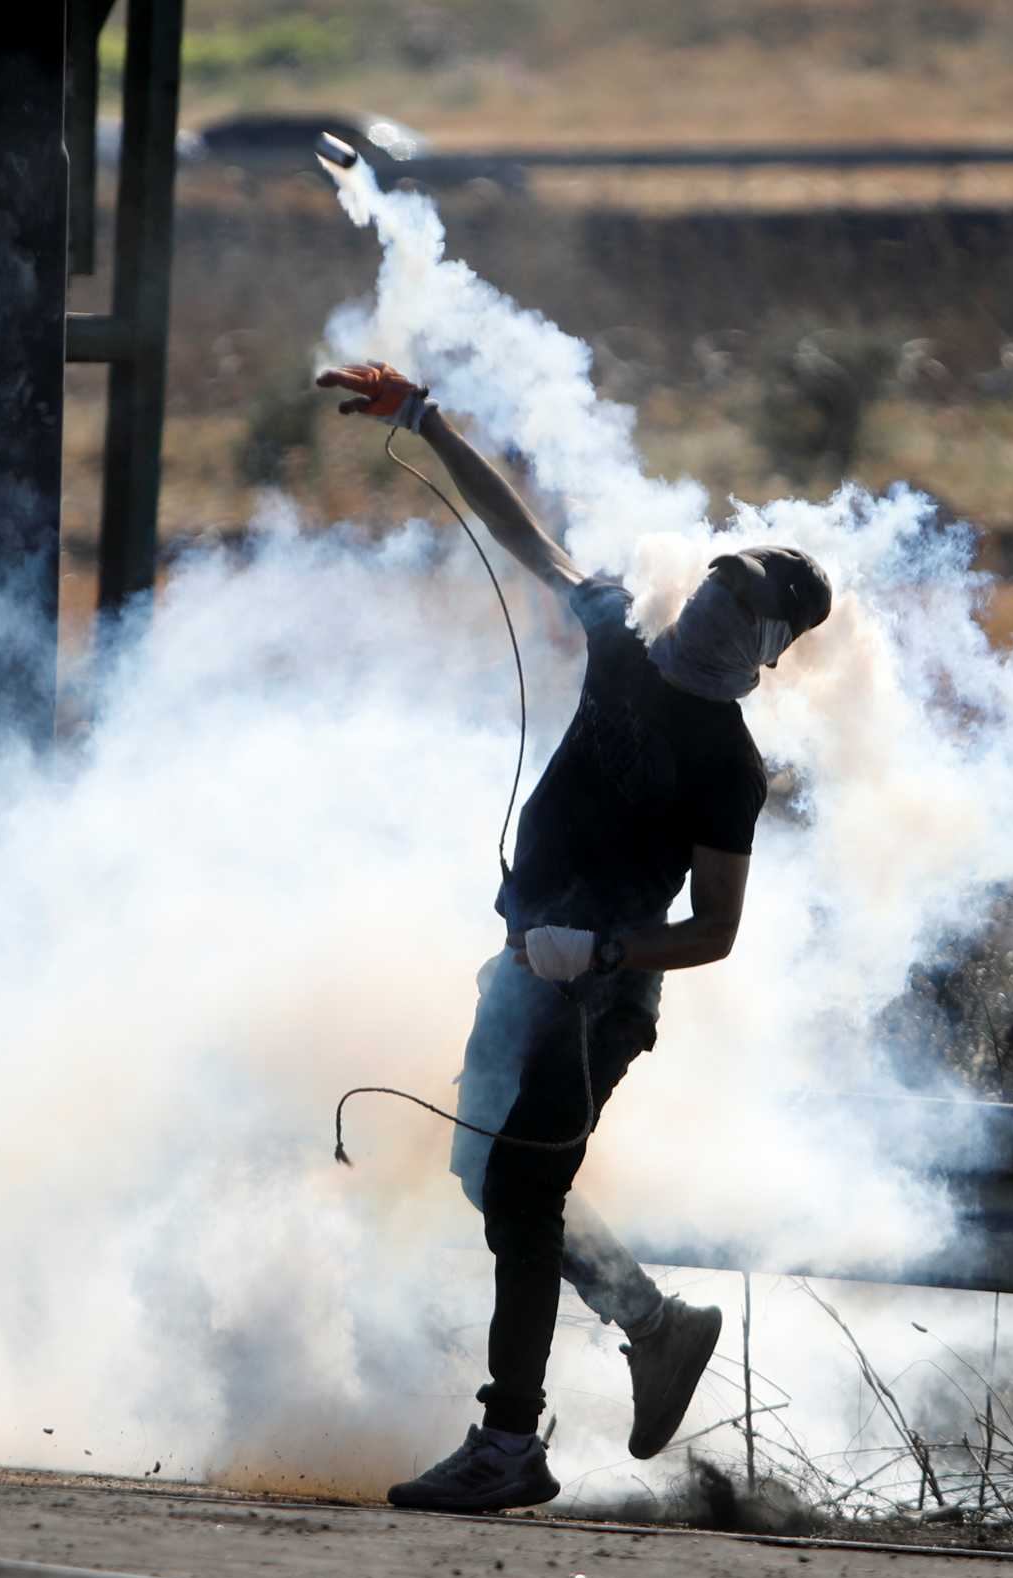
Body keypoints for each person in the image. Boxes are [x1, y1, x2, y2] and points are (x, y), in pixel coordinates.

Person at [317, 360, 833, 1513]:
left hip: (597, 996)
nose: (712, 602)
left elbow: (715, 934)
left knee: (523, 1196)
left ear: (767, 647)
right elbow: (524, 537)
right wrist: (429, 423)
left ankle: (511, 1443)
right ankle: (653, 1325)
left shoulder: (727, 768)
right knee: (483, 1171)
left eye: (742, 602)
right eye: (720, 580)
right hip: (527, 965)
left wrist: (598, 959)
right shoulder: (622, 640)